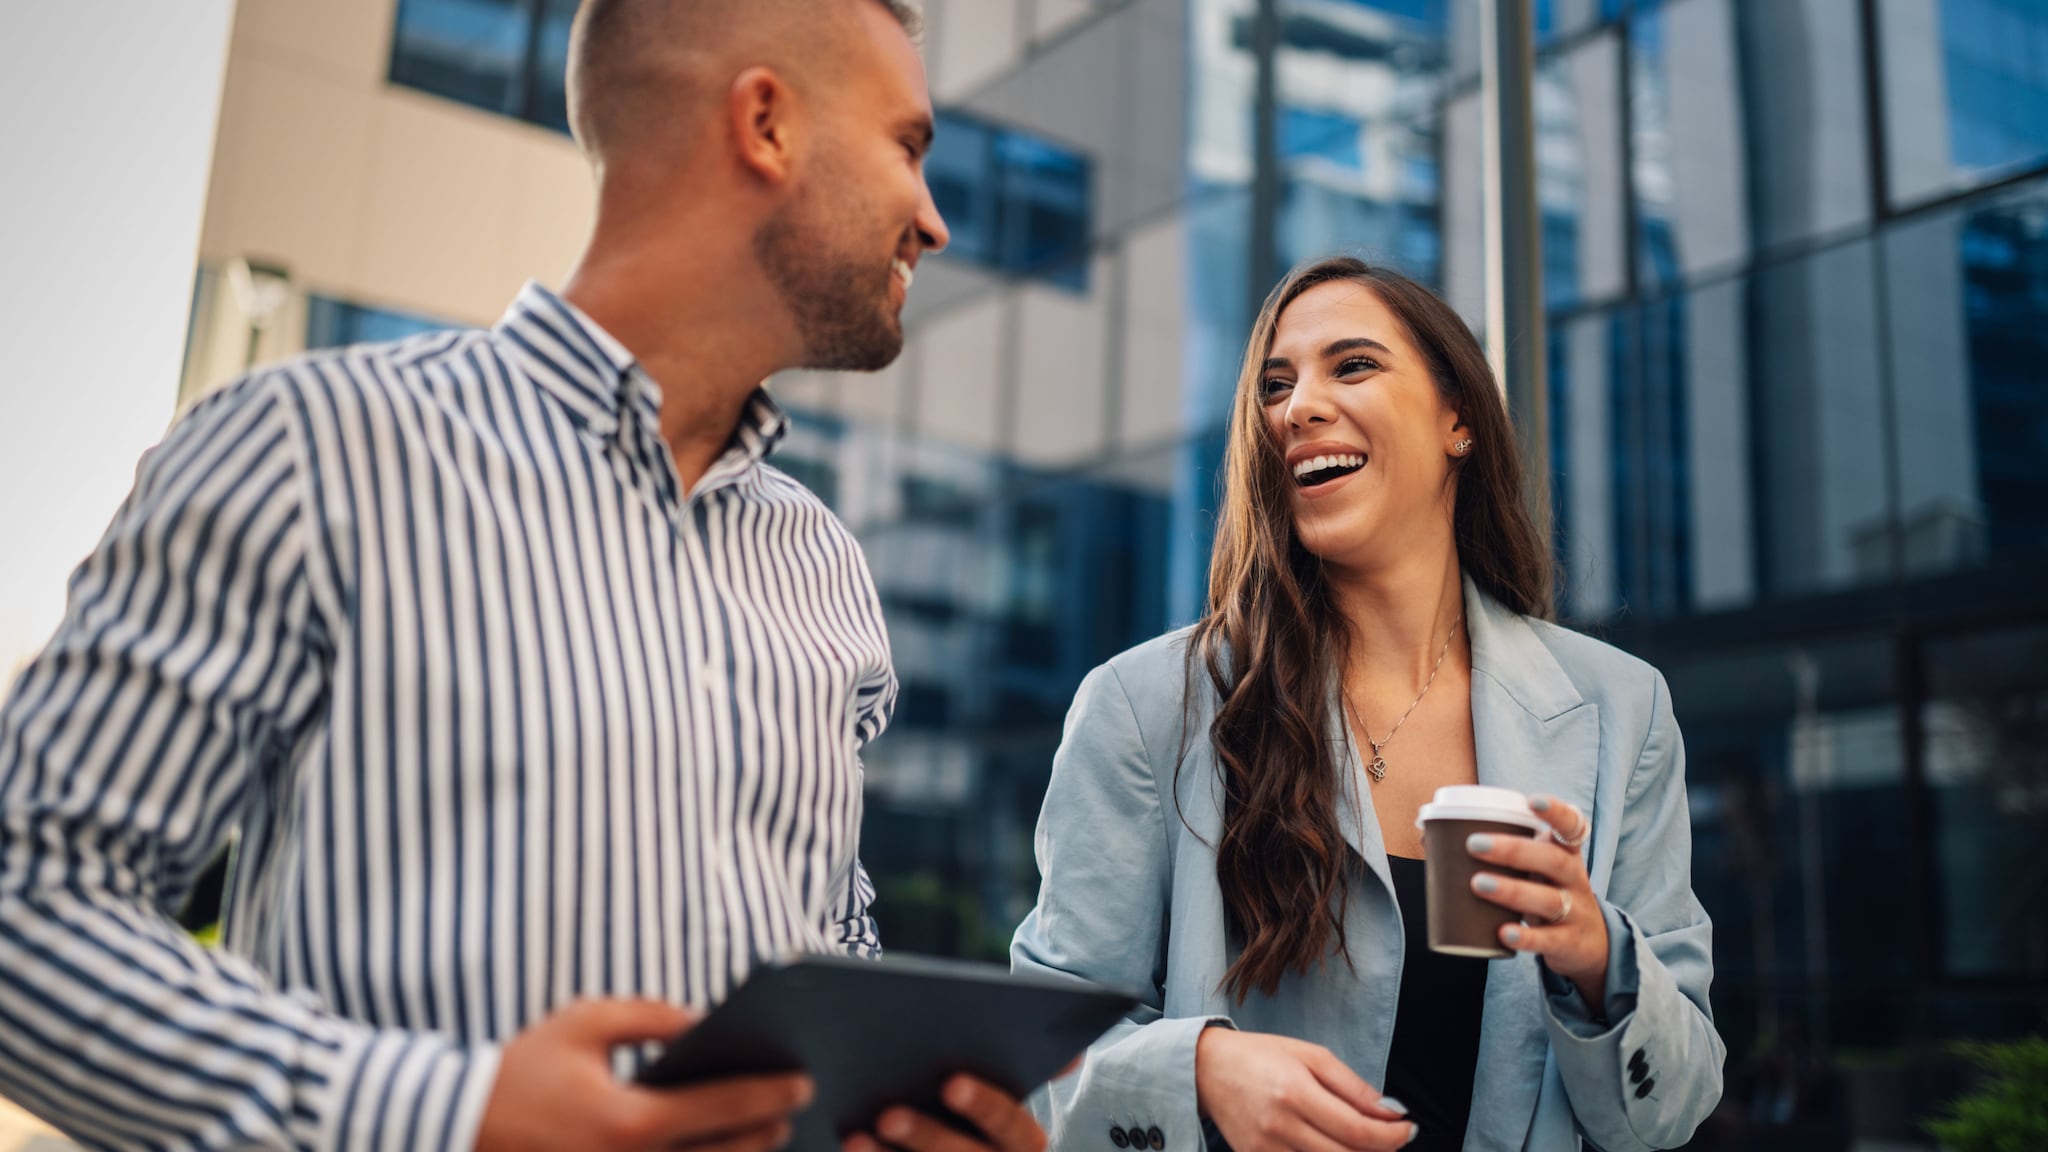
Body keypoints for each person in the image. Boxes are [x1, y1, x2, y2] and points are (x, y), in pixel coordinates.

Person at [0, 3, 1053, 1151]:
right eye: (908, 146)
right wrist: (450, 1116)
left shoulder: (822, 568)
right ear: (764, 124)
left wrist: (886, 1117)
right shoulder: (310, 451)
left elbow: (825, 961)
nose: (935, 222)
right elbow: (27, 908)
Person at [1011, 257, 1723, 1152]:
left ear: (1458, 418)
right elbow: (1039, 1055)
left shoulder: (1623, 708)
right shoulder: (1147, 706)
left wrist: (1594, 954)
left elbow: (1675, 1104)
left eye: (1351, 366)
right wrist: (1197, 1069)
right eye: (1276, 384)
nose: (1297, 405)